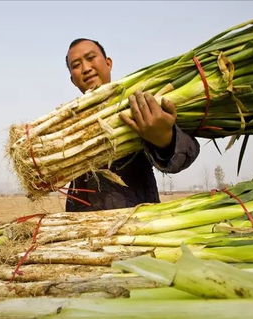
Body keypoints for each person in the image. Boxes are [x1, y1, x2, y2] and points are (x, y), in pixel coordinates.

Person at [65, 38, 200, 211]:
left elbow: (188, 151)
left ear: (108, 63)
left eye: (91, 58)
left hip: (134, 225)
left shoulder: (137, 105)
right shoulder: (70, 125)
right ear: (72, 79)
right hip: (79, 228)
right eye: (76, 65)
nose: (86, 68)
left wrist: (166, 140)